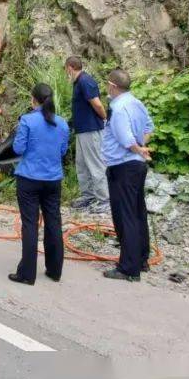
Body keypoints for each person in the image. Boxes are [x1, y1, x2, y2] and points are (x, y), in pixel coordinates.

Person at [9, 83, 70, 285]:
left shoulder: (27, 120)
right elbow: (62, 151)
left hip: (29, 178)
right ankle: (55, 270)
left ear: (33, 99)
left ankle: (27, 274)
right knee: (54, 222)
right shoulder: (62, 123)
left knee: (30, 224)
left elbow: (18, 148)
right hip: (53, 179)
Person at [101, 68, 154, 282]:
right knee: (137, 212)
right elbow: (149, 127)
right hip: (136, 166)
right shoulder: (136, 103)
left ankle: (128, 268)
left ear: (112, 86)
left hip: (123, 165)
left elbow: (125, 137)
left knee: (125, 216)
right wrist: (142, 146)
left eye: (107, 85)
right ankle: (141, 259)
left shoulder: (118, 107)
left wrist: (136, 148)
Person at [64, 56, 110, 214]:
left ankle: (105, 199)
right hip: (82, 130)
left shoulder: (85, 81)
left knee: (95, 163)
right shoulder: (78, 83)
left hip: (91, 129)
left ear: (70, 68)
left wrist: (105, 119)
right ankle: (88, 196)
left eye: (66, 70)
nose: (66, 73)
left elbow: (96, 103)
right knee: (82, 164)